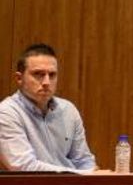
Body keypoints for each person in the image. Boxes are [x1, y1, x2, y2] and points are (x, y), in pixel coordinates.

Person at [0, 43, 97, 172]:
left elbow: (83, 160)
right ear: (19, 78)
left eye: (52, 75)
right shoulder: (7, 113)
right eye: (38, 74)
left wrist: (93, 174)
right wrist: (83, 174)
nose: (46, 82)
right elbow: (24, 167)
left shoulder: (68, 110)